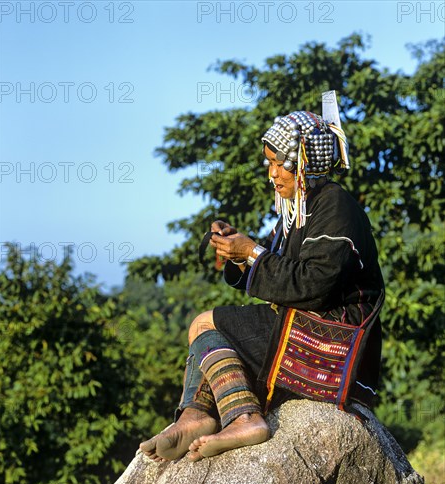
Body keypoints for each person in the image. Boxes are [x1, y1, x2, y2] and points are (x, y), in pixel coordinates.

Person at [140, 109, 384, 463]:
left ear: (301, 162)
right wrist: (237, 252)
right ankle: (198, 415)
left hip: (335, 333)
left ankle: (240, 419)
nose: (271, 175)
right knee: (210, 330)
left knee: (204, 324)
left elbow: (313, 285)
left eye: (276, 164)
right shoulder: (299, 209)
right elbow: (272, 266)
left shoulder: (335, 205)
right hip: (305, 320)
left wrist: (250, 250)